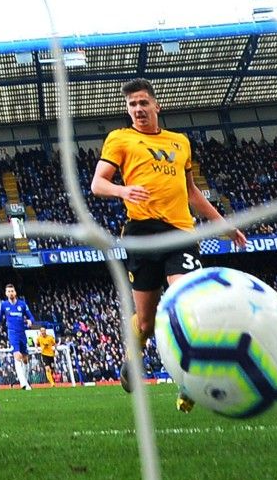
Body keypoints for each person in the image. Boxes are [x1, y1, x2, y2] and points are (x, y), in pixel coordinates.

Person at [90, 78, 247, 412]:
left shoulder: (180, 142)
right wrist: (123, 191)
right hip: (140, 235)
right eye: (132, 105)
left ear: (156, 105)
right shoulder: (120, 138)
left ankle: (189, 381)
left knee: (186, 304)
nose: (138, 109)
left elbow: (191, 191)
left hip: (180, 234)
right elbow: (98, 184)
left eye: (143, 103)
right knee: (145, 322)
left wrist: (223, 224)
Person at [0, 283, 38, 391]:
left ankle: (25, 381)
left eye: (12, 291)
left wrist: (30, 321)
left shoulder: (22, 304)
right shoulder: (4, 305)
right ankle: (23, 383)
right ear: (6, 293)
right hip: (12, 333)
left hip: (22, 333)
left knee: (25, 359)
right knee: (17, 356)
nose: (10, 293)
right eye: (8, 291)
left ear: (15, 292)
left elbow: (31, 316)